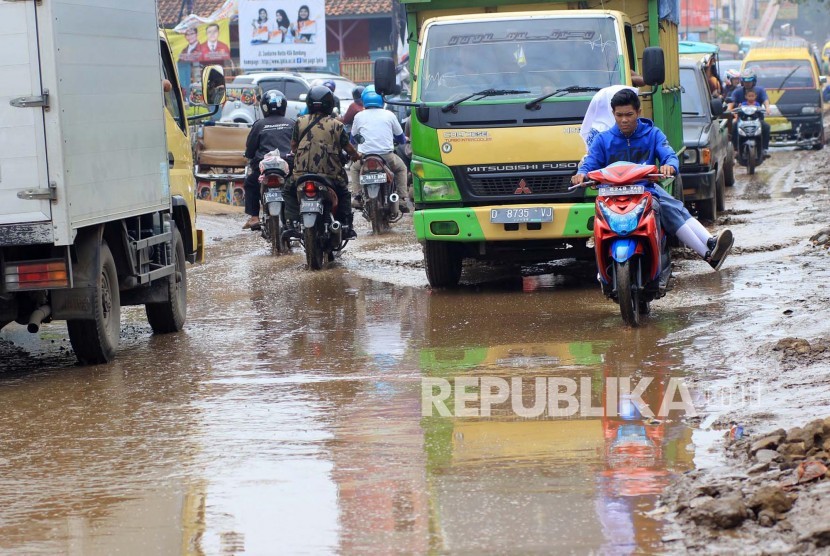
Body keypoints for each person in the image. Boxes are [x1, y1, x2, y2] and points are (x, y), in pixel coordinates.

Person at [571, 88, 734, 271]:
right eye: (619, 115)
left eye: (629, 115)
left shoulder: (653, 134)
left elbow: (669, 156)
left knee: (671, 207)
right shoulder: (602, 140)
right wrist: (582, 173)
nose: (624, 120)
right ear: (613, 114)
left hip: (646, 190)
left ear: (639, 112)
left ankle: (709, 246)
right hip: (612, 195)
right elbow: (589, 162)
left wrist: (669, 166)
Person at [290, 85, 360, 238]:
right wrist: (357, 156)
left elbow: (294, 147)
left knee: (288, 190)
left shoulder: (300, 122)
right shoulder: (337, 125)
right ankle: (346, 225)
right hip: (331, 176)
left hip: (301, 174)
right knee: (344, 192)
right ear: (330, 104)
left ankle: (291, 223)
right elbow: (348, 148)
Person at [348, 88, 409, 215]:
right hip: (386, 157)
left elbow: (352, 139)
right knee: (401, 169)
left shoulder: (359, 116)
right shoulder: (389, 114)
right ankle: (402, 199)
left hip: (365, 157)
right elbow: (400, 137)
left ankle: (358, 197)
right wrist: (402, 140)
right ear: (382, 99)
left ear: (364, 99)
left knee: (354, 169)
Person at [242, 90, 295, 230]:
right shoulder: (291, 123)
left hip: (264, 166)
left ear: (264, 107)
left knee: (250, 183)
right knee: (295, 185)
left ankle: (254, 217)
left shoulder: (259, 125)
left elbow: (250, 150)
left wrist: (250, 156)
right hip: (287, 165)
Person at [727, 69, 771, 157]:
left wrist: (767, 108)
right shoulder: (737, 91)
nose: (747, 83)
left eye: (749, 81)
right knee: (734, 126)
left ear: (754, 81)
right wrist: (729, 110)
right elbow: (731, 102)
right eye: (745, 81)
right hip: (742, 120)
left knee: (766, 127)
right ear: (742, 81)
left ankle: (764, 149)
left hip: (757, 119)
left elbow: (765, 100)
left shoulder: (760, 90)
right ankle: (736, 149)